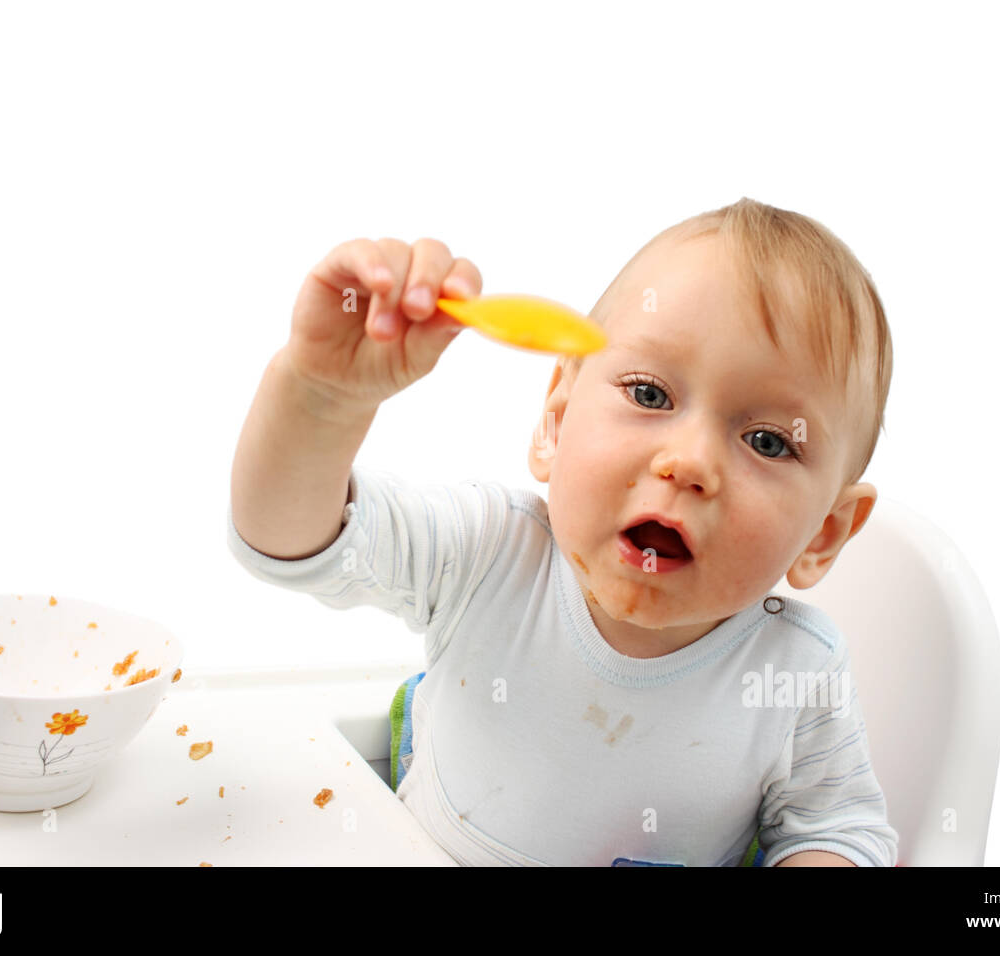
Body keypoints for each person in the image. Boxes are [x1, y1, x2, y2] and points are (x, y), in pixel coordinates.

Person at [227, 197, 899, 866]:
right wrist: (320, 399)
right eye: (650, 395)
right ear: (556, 419)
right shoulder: (488, 552)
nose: (690, 463)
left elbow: (840, 832)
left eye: (767, 441)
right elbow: (293, 540)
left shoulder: (796, 674)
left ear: (825, 533)